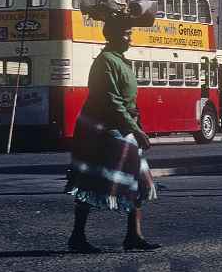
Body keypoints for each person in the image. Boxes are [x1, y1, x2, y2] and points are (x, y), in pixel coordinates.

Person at [64, 20, 159, 254]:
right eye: (127, 34)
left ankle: (133, 235)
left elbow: (128, 101)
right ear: (114, 35)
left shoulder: (121, 60)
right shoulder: (105, 62)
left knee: (138, 179)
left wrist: (136, 125)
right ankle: (77, 236)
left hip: (122, 127)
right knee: (90, 181)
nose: (131, 38)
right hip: (103, 129)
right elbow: (111, 100)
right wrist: (135, 129)